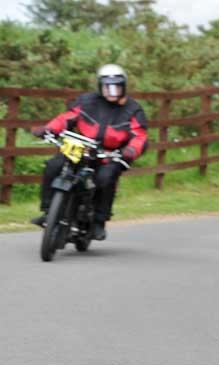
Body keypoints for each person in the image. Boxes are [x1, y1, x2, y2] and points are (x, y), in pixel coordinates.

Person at [30, 64, 148, 240]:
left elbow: (139, 135)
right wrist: (48, 129)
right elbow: (67, 118)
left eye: (116, 86)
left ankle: (99, 221)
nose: (112, 91)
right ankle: (48, 212)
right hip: (82, 147)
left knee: (105, 178)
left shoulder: (133, 109)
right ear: (100, 85)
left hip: (111, 153)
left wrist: (131, 149)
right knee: (54, 166)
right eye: (108, 86)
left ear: (124, 86)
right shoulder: (86, 101)